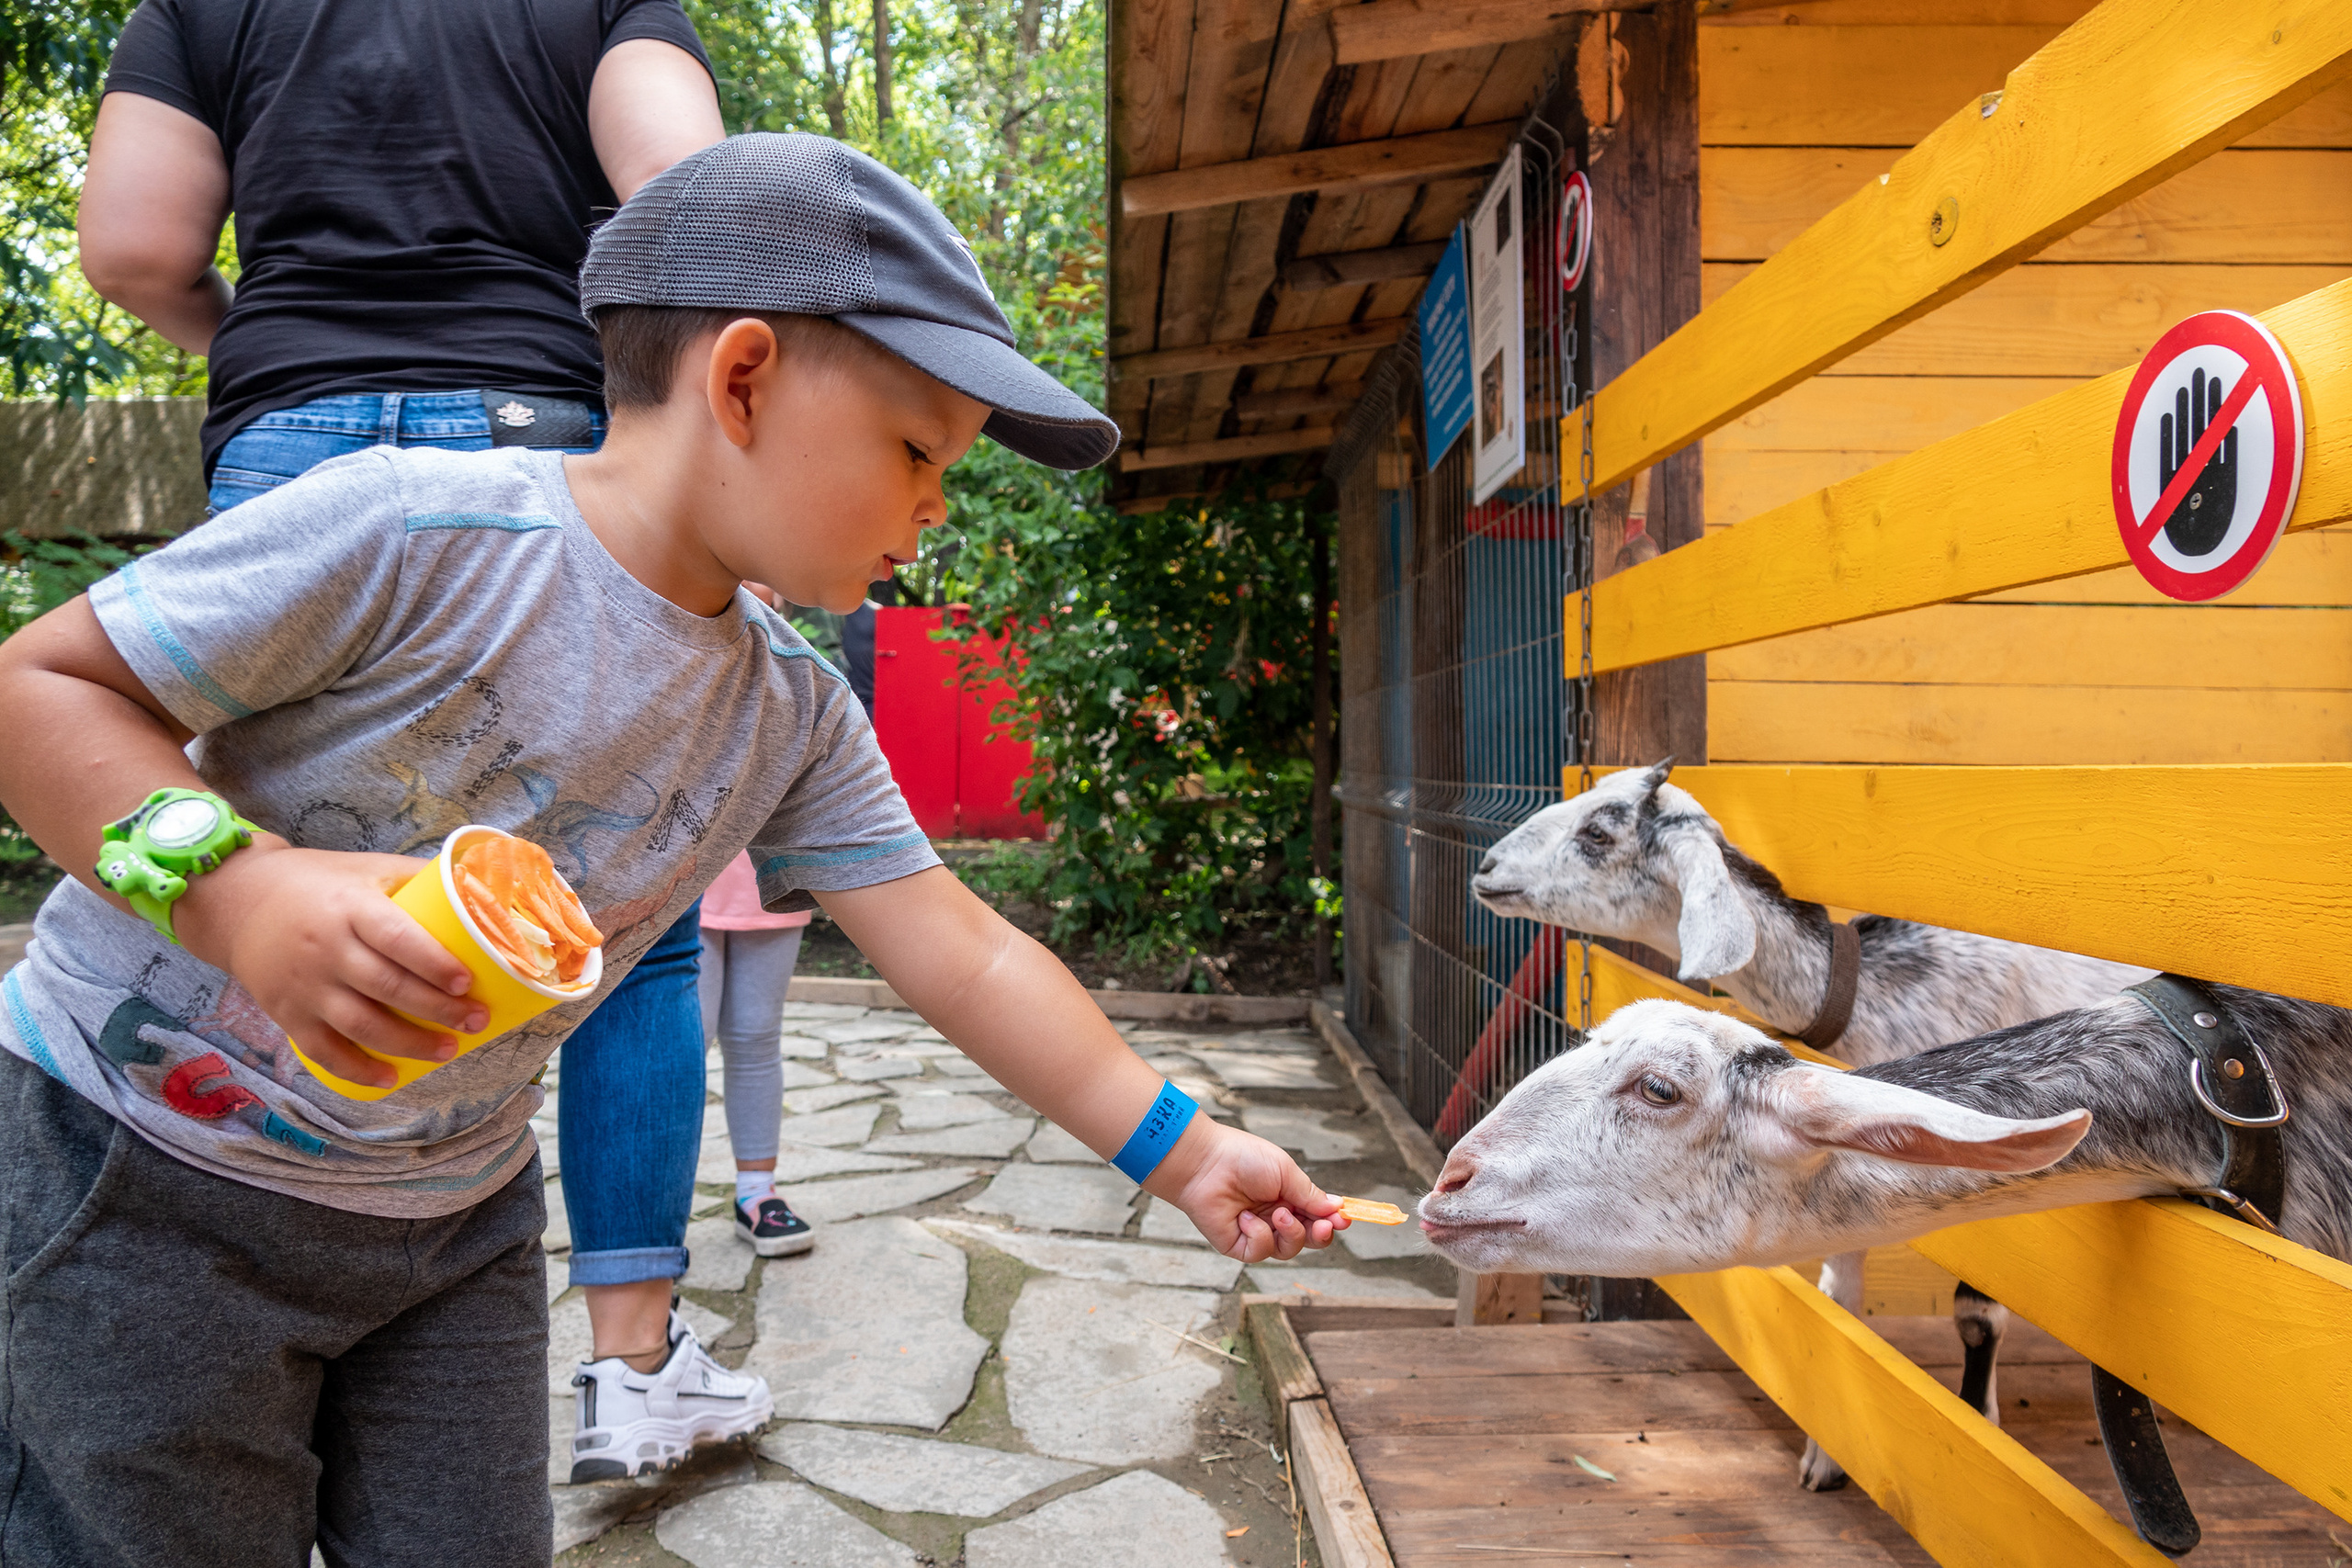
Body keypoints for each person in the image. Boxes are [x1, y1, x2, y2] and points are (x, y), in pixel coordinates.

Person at [0, 131, 1346, 1564]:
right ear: (745, 378)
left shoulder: (794, 713)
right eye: (916, 452)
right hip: (139, 1175)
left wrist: (1183, 1148)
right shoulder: (414, 528)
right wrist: (239, 894)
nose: (936, 508)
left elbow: (963, 947)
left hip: (449, 1227)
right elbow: (37, 690)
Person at [75, 0, 751, 1472]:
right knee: (629, 922)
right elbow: (690, 198)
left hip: (287, 441)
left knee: (277, 859)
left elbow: (133, 244)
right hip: (544, 427)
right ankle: (631, 1363)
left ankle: (227, 1277)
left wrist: (265, 340)